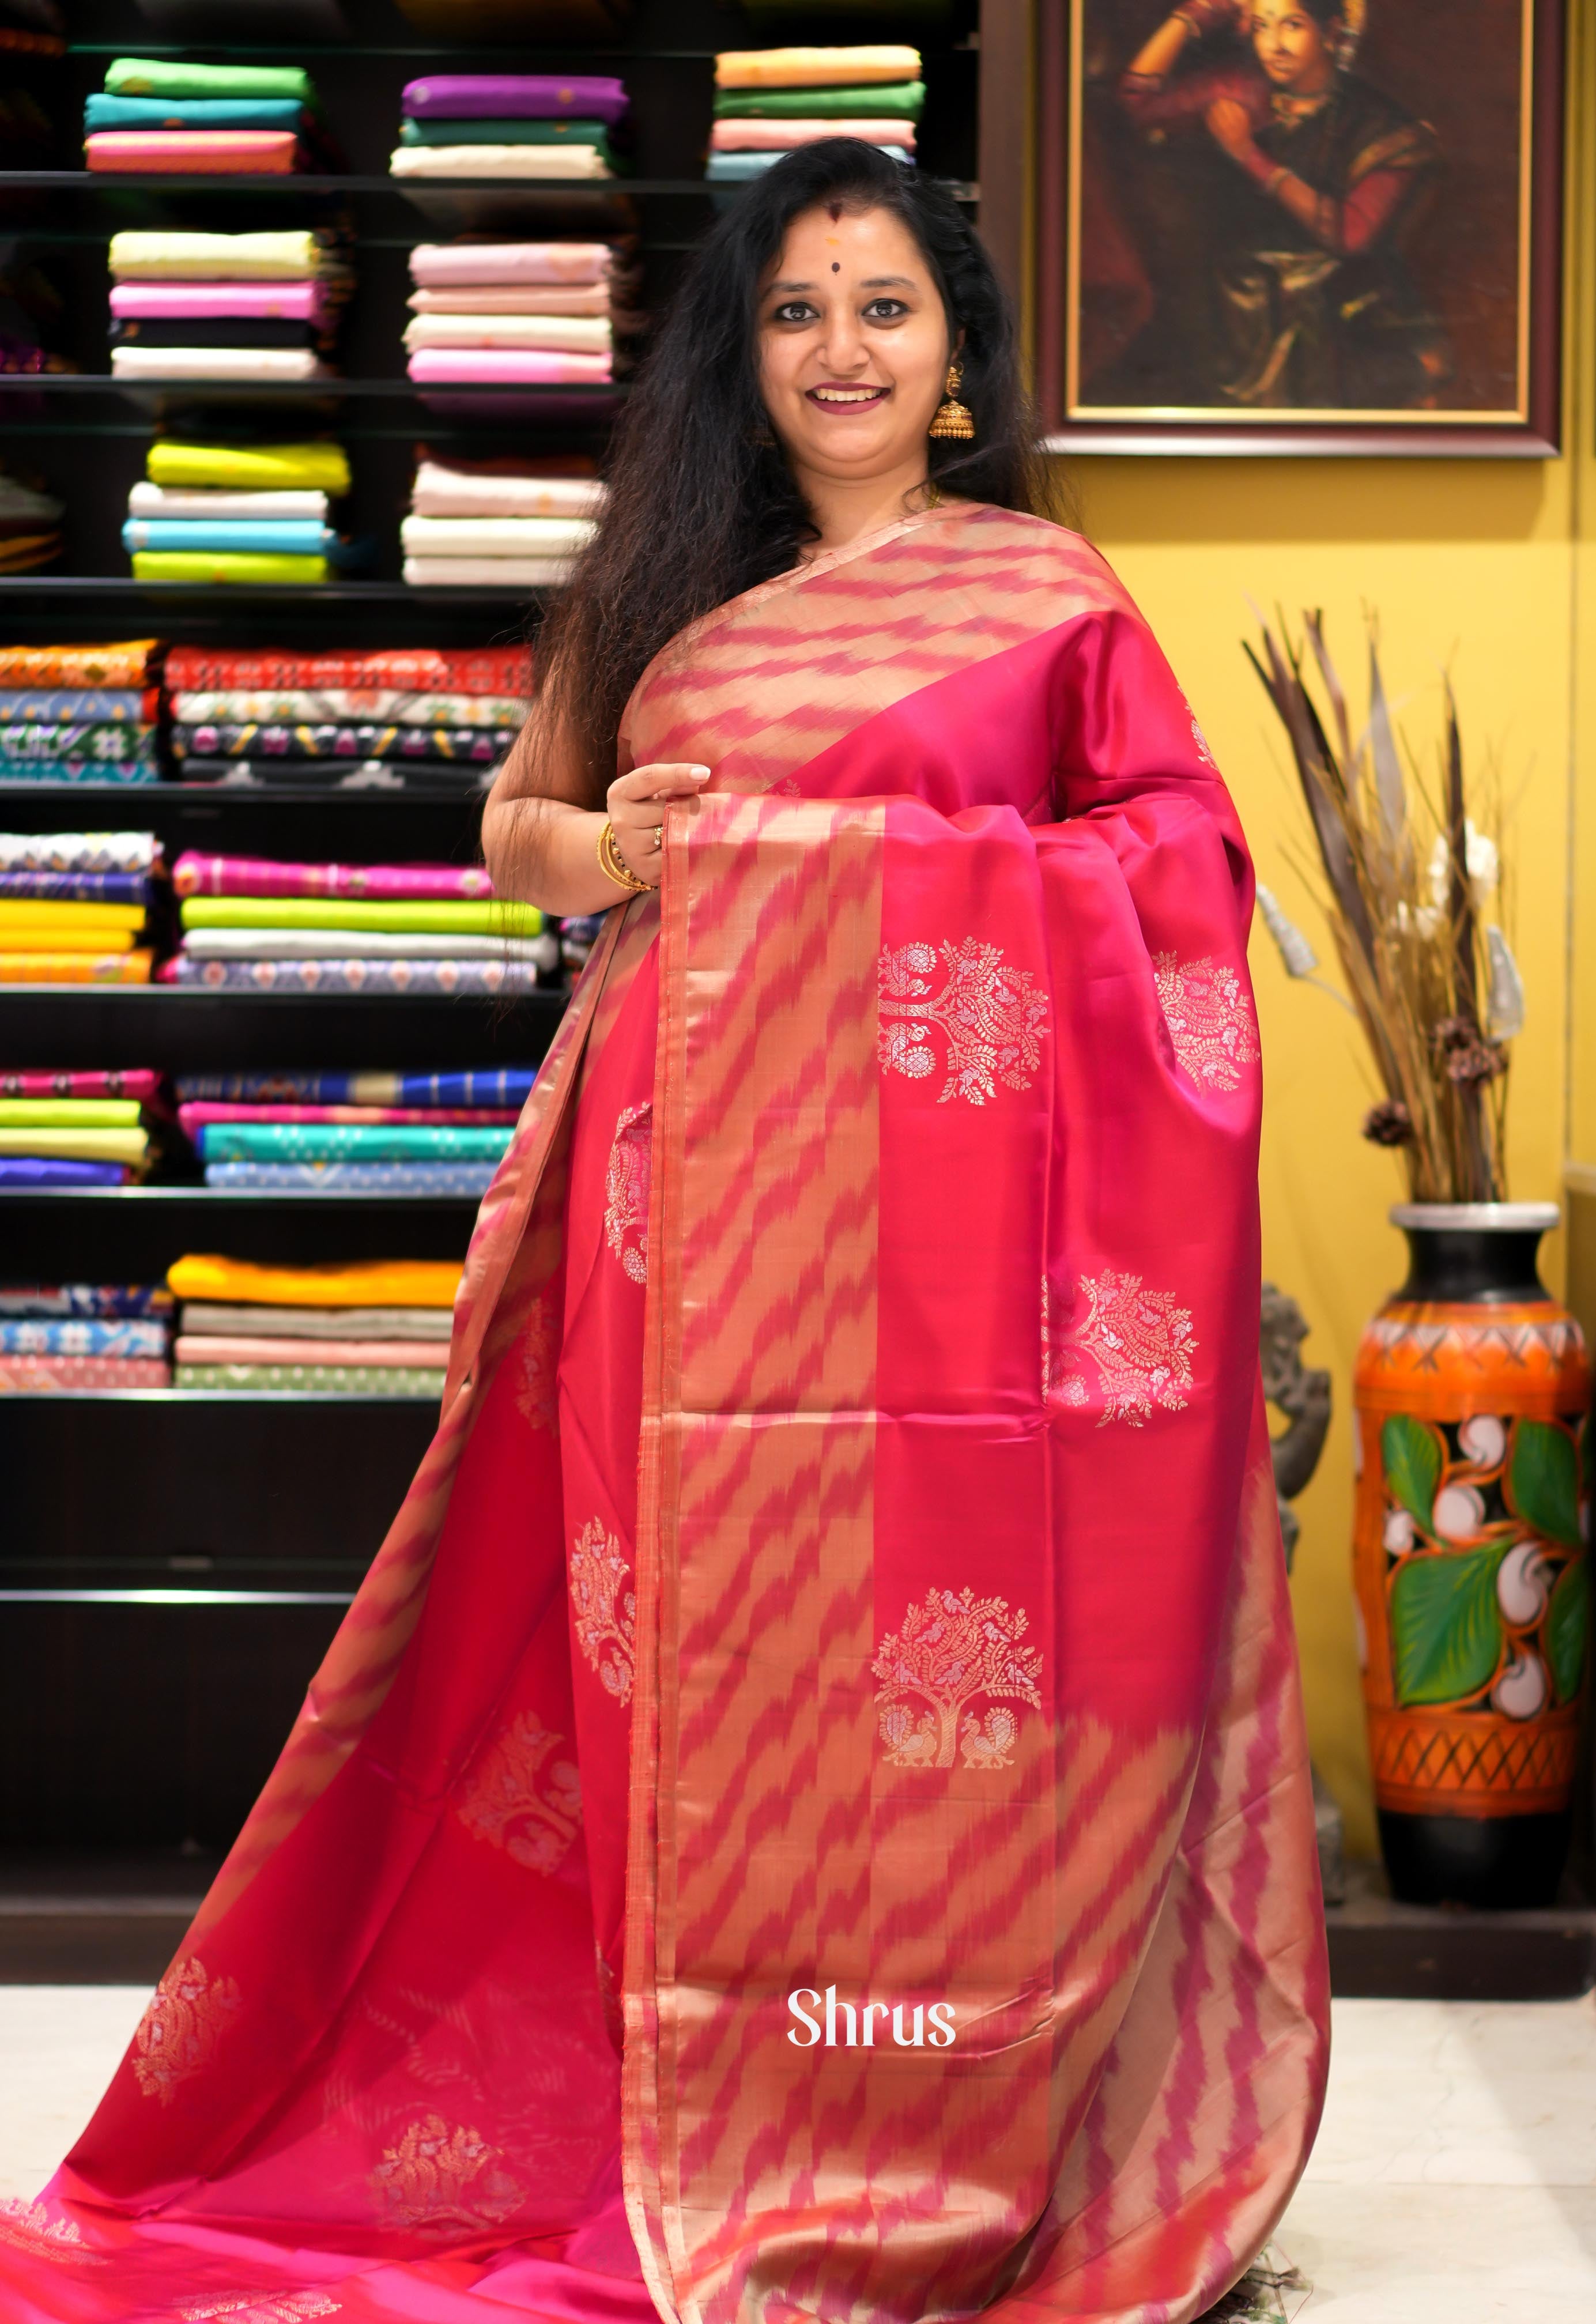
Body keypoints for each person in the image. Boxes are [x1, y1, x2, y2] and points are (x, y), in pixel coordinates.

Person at [0, 139, 1328, 2324]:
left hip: (956, 1257)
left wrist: (898, 868)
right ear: (744, 344)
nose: (839, 348)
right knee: (685, 1651)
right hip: (685, 1211)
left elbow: (1174, 863)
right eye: (795, 308)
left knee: (937, 1659)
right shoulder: (657, 582)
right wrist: (608, 839)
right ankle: (680, 2089)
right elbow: (517, 829)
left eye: (882, 306)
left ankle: (921, 2106)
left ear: (955, 357)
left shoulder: (1047, 600)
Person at [1112, 0, 1448, 408]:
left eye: (1292, 25)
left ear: (1332, 32)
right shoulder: (1240, 89)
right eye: (1260, 26)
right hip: (1236, 309)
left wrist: (1248, 155)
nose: (1274, 45)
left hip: (1341, 311)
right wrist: (1192, 16)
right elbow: (1135, 99)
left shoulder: (1381, 124)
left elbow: (1349, 233)